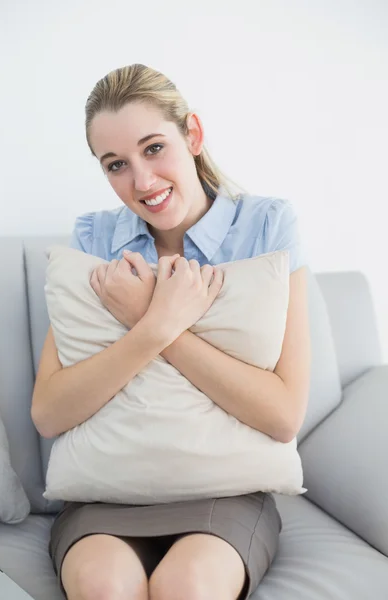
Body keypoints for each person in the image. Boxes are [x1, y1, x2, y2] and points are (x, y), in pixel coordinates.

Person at [31, 63, 311, 600]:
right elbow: (49, 412)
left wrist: (152, 320)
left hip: (224, 493)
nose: (141, 182)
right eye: (116, 164)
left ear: (194, 136)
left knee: (187, 587)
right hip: (106, 494)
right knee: (105, 587)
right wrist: (153, 325)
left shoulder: (268, 227)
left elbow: (282, 416)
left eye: (154, 148)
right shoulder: (93, 238)